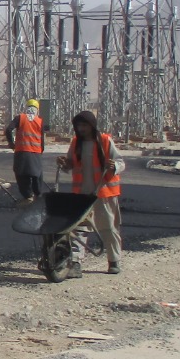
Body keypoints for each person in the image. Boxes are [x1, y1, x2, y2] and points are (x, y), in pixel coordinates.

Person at [57, 109, 123, 275]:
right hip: (82, 195)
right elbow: (71, 165)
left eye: (84, 125)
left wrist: (114, 166)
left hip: (104, 193)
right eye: (79, 125)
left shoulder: (105, 141)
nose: (81, 129)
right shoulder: (75, 143)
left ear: (92, 125)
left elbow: (120, 162)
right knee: (79, 229)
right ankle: (76, 263)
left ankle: (114, 260)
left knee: (108, 227)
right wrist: (64, 163)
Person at [5, 99, 45, 205]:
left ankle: (27, 196)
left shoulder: (20, 118)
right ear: (37, 110)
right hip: (36, 152)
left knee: (21, 174)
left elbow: (8, 130)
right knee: (36, 174)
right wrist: (41, 151)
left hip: (21, 152)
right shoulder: (40, 121)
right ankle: (38, 195)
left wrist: (11, 143)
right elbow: (42, 140)